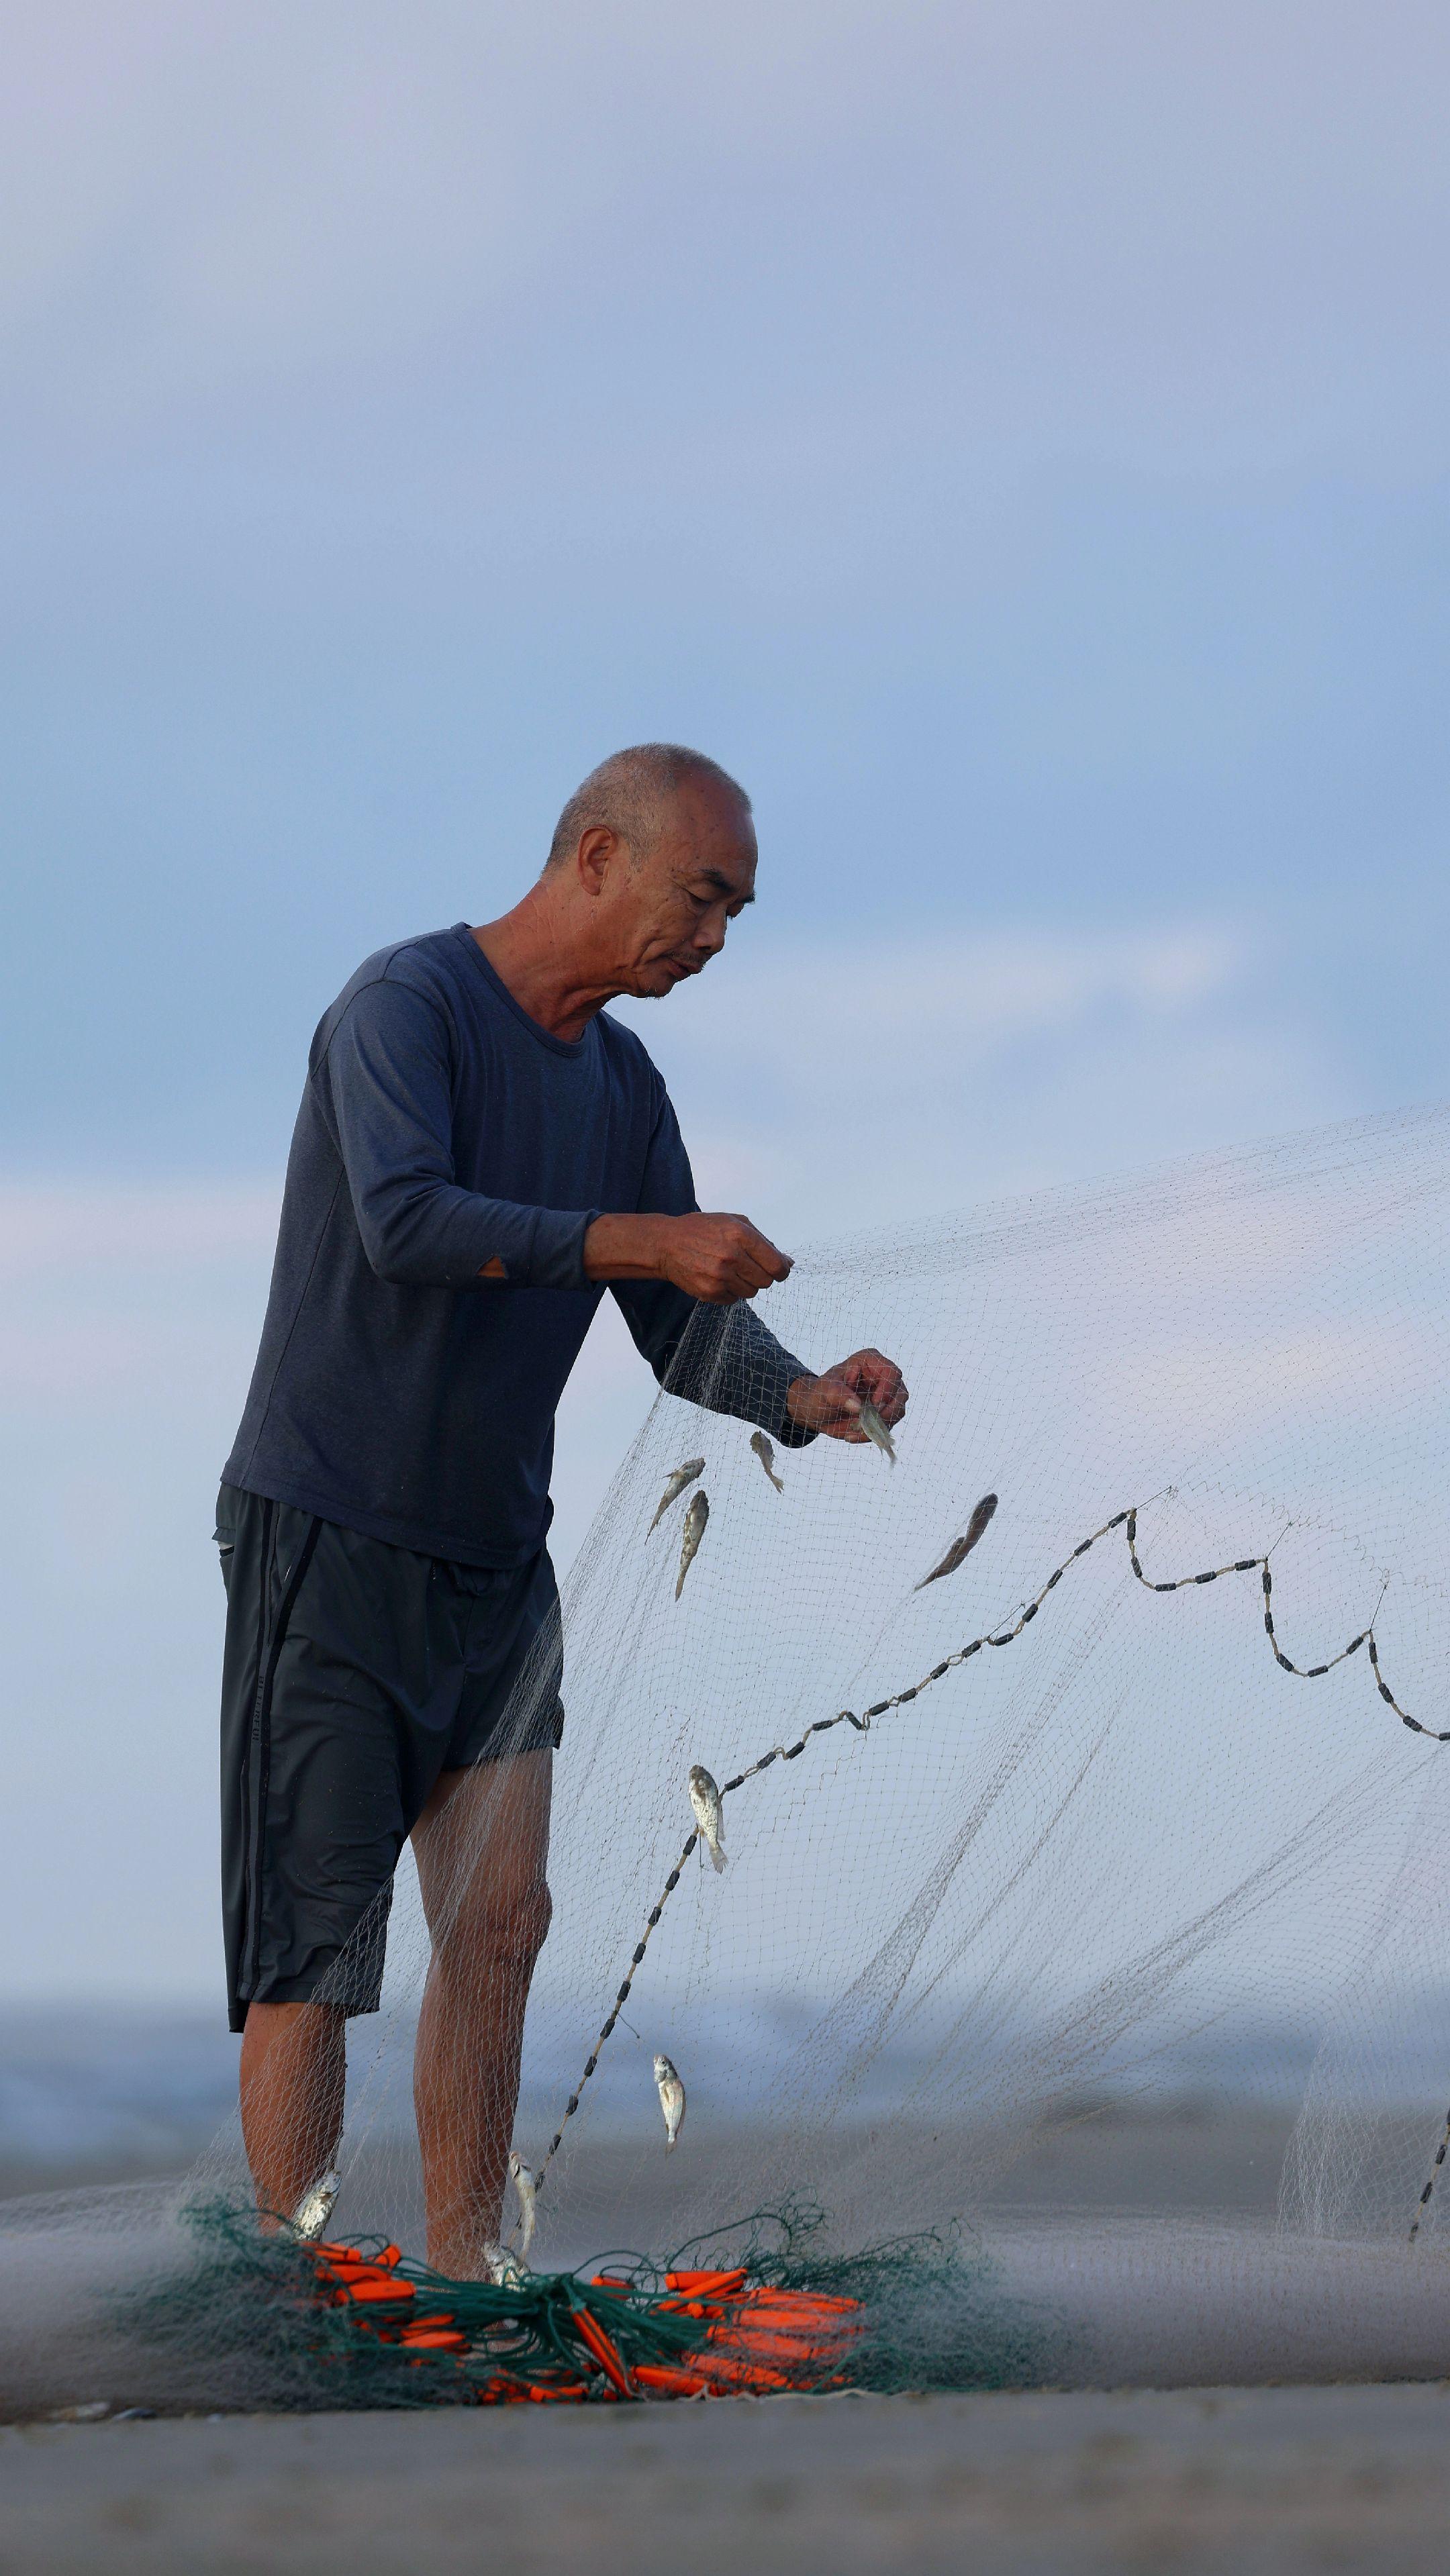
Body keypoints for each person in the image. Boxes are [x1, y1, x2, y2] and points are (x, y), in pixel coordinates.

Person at [215, 742, 908, 2271]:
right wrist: (647, 1235)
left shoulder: (625, 1083)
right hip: (324, 1540)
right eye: (702, 896)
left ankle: (466, 2272)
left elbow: (679, 1329)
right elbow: (405, 1221)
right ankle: (288, 2282)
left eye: (737, 912)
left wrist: (805, 1396)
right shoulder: (405, 1007)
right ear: (598, 856)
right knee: (314, 1956)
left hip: (495, 1567)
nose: (717, 938)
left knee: (505, 1924)